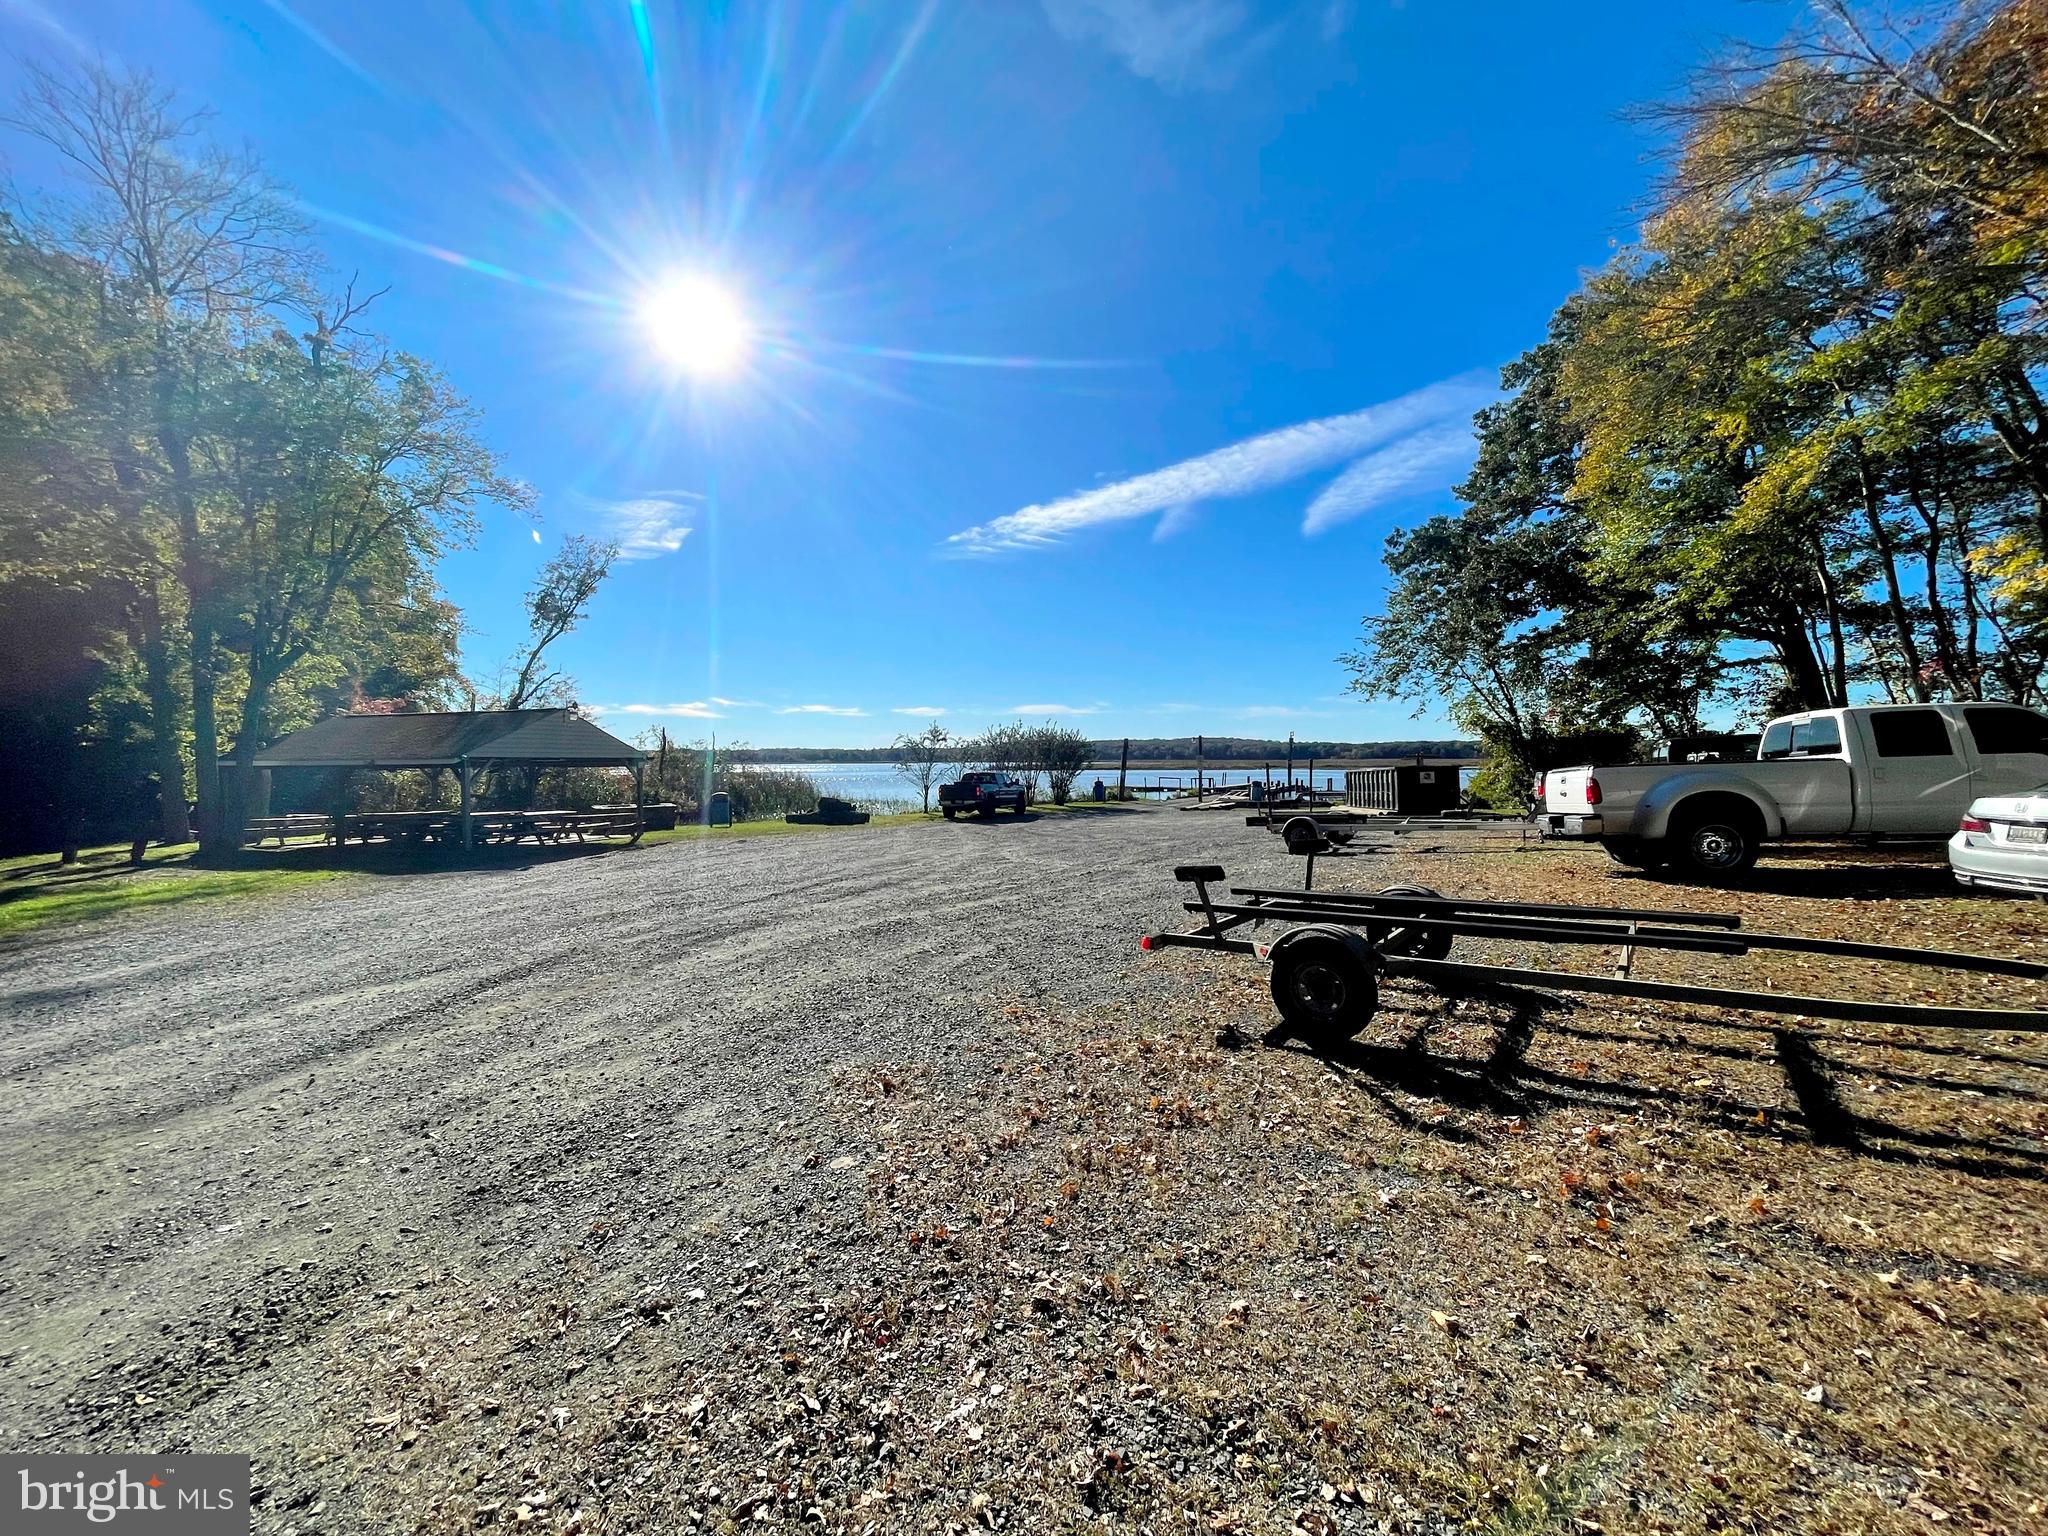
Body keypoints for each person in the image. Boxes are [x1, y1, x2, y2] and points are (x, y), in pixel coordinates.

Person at [129, 774, 162, 866]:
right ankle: (136, 856)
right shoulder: (145, 793)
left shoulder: (145, 792)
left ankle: (137, 855)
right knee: (141, 836)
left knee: (142, 837)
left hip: (144, 816)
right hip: (143, 817)